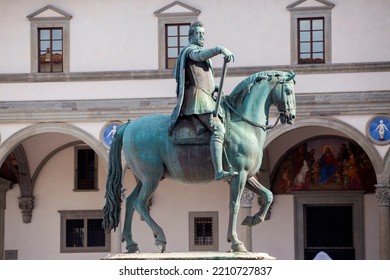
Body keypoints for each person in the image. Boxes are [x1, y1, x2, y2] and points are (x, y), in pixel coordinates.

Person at [168, 21, 236, 180]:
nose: (201, 37)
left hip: (207, 96)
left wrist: (215, 89)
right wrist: (219, 49)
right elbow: (200, 56)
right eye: (198, 34)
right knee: (218, 130)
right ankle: (219, 171)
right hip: (198, 99)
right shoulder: (190, 51)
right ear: (191, 36)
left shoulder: (199, 53)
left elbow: (204, 77)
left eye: (203, 34)